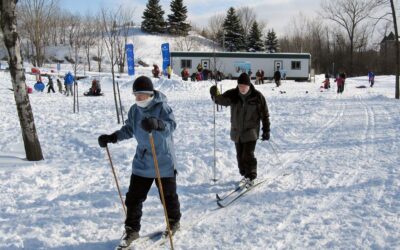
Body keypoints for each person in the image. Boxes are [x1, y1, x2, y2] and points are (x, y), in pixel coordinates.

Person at [98, 76, 181, 249]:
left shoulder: (162, 107)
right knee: (133, 198)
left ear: (150, 94)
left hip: (163, 160)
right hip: (142, 160)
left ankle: (173, 222)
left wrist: (157, 124)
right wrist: (113, 137)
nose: (138, 99)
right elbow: (129, 129)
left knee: (168, 197)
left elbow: (171, 125)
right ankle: (132, 230)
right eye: (136, 95)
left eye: (141, 95)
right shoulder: (134, 110)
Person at [209, 72, 270, 187]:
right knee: (239, 156)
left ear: (249, 85)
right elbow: (222, 100)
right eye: (240, 86)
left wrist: (266, 130)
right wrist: (214, 95)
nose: (242, 89)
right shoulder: (233, 94)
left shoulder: (257, 97)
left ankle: (251, 176)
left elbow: (265, 115)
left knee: (248, 154)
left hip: (251, 131)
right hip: (237, 132)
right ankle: (245, 174)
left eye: (244, 86)